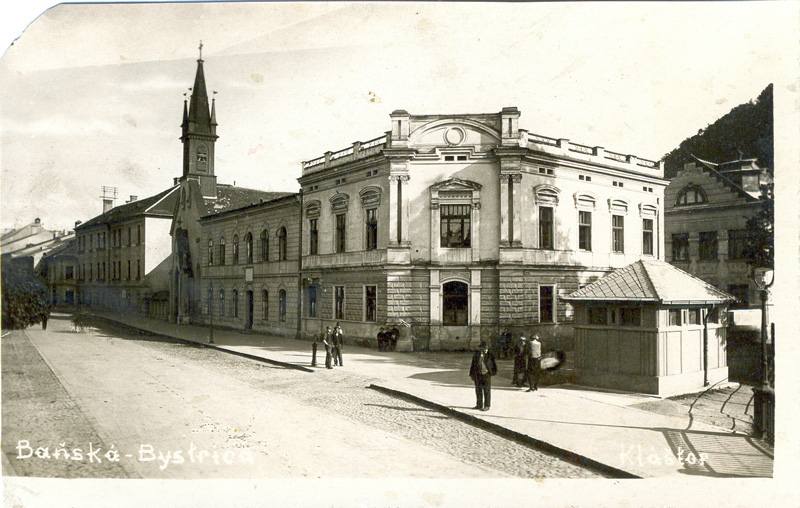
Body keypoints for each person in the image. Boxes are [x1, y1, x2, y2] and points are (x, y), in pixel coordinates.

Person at [469, 341, 497, 411]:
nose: (484, 349)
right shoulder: (476, 354)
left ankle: (487, 406)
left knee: (486, 390)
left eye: (485, 348)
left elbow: (494, 364)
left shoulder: (490, 354)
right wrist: (471, 374)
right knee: (478, 390)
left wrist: (492, 372)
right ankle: (479, 405)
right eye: (483, 348)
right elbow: (473, 365)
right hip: (478, 374)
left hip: (486, 374)